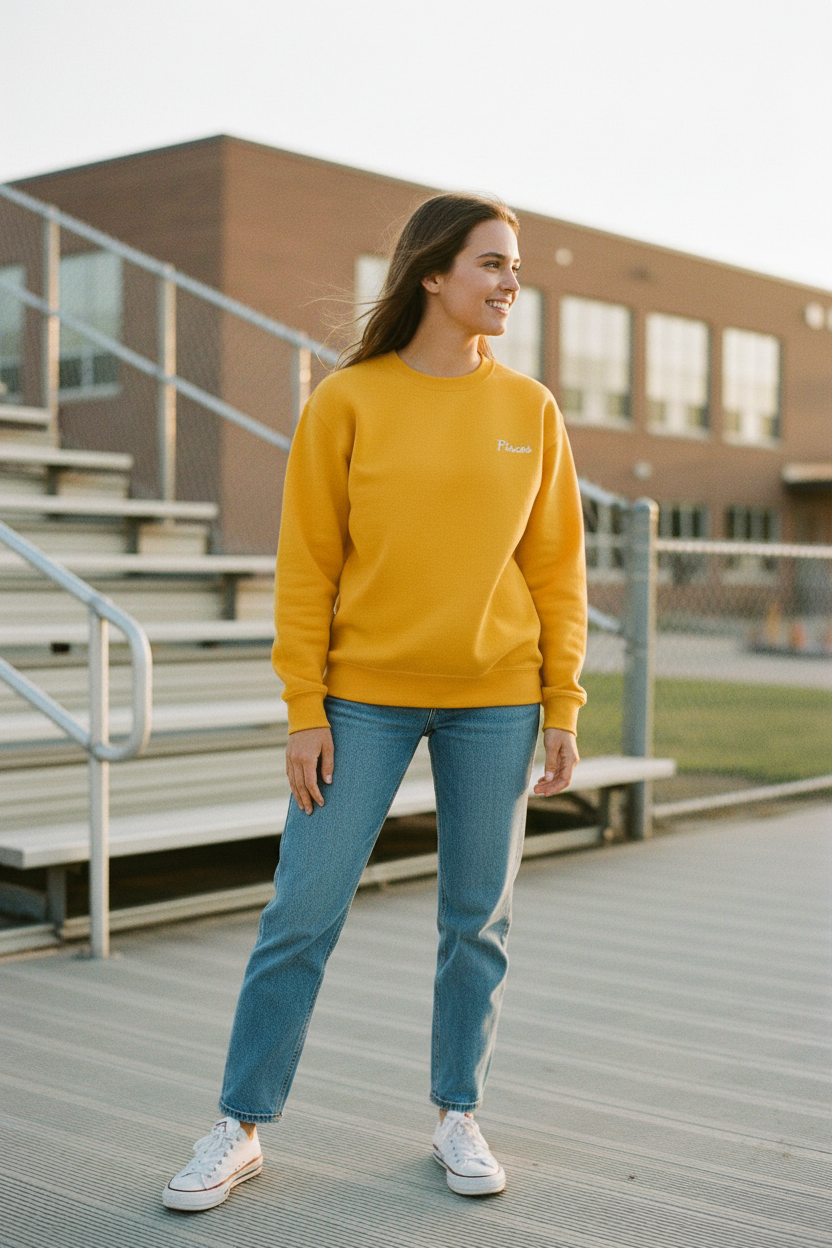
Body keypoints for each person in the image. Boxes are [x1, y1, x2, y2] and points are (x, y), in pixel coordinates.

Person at [163, 193, 587, 1212]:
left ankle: (456, 1113)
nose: (509, 283)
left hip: (497, 701)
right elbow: (306, 565)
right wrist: (304, 706)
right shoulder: (347, 402)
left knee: (477, 919)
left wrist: (561, 700)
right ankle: (240, 1122)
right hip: (360, 702)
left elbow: (556, 567)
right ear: (432, 275)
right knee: (301, 911)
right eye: (491, 264)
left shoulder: (530, 410)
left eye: (516, 267)